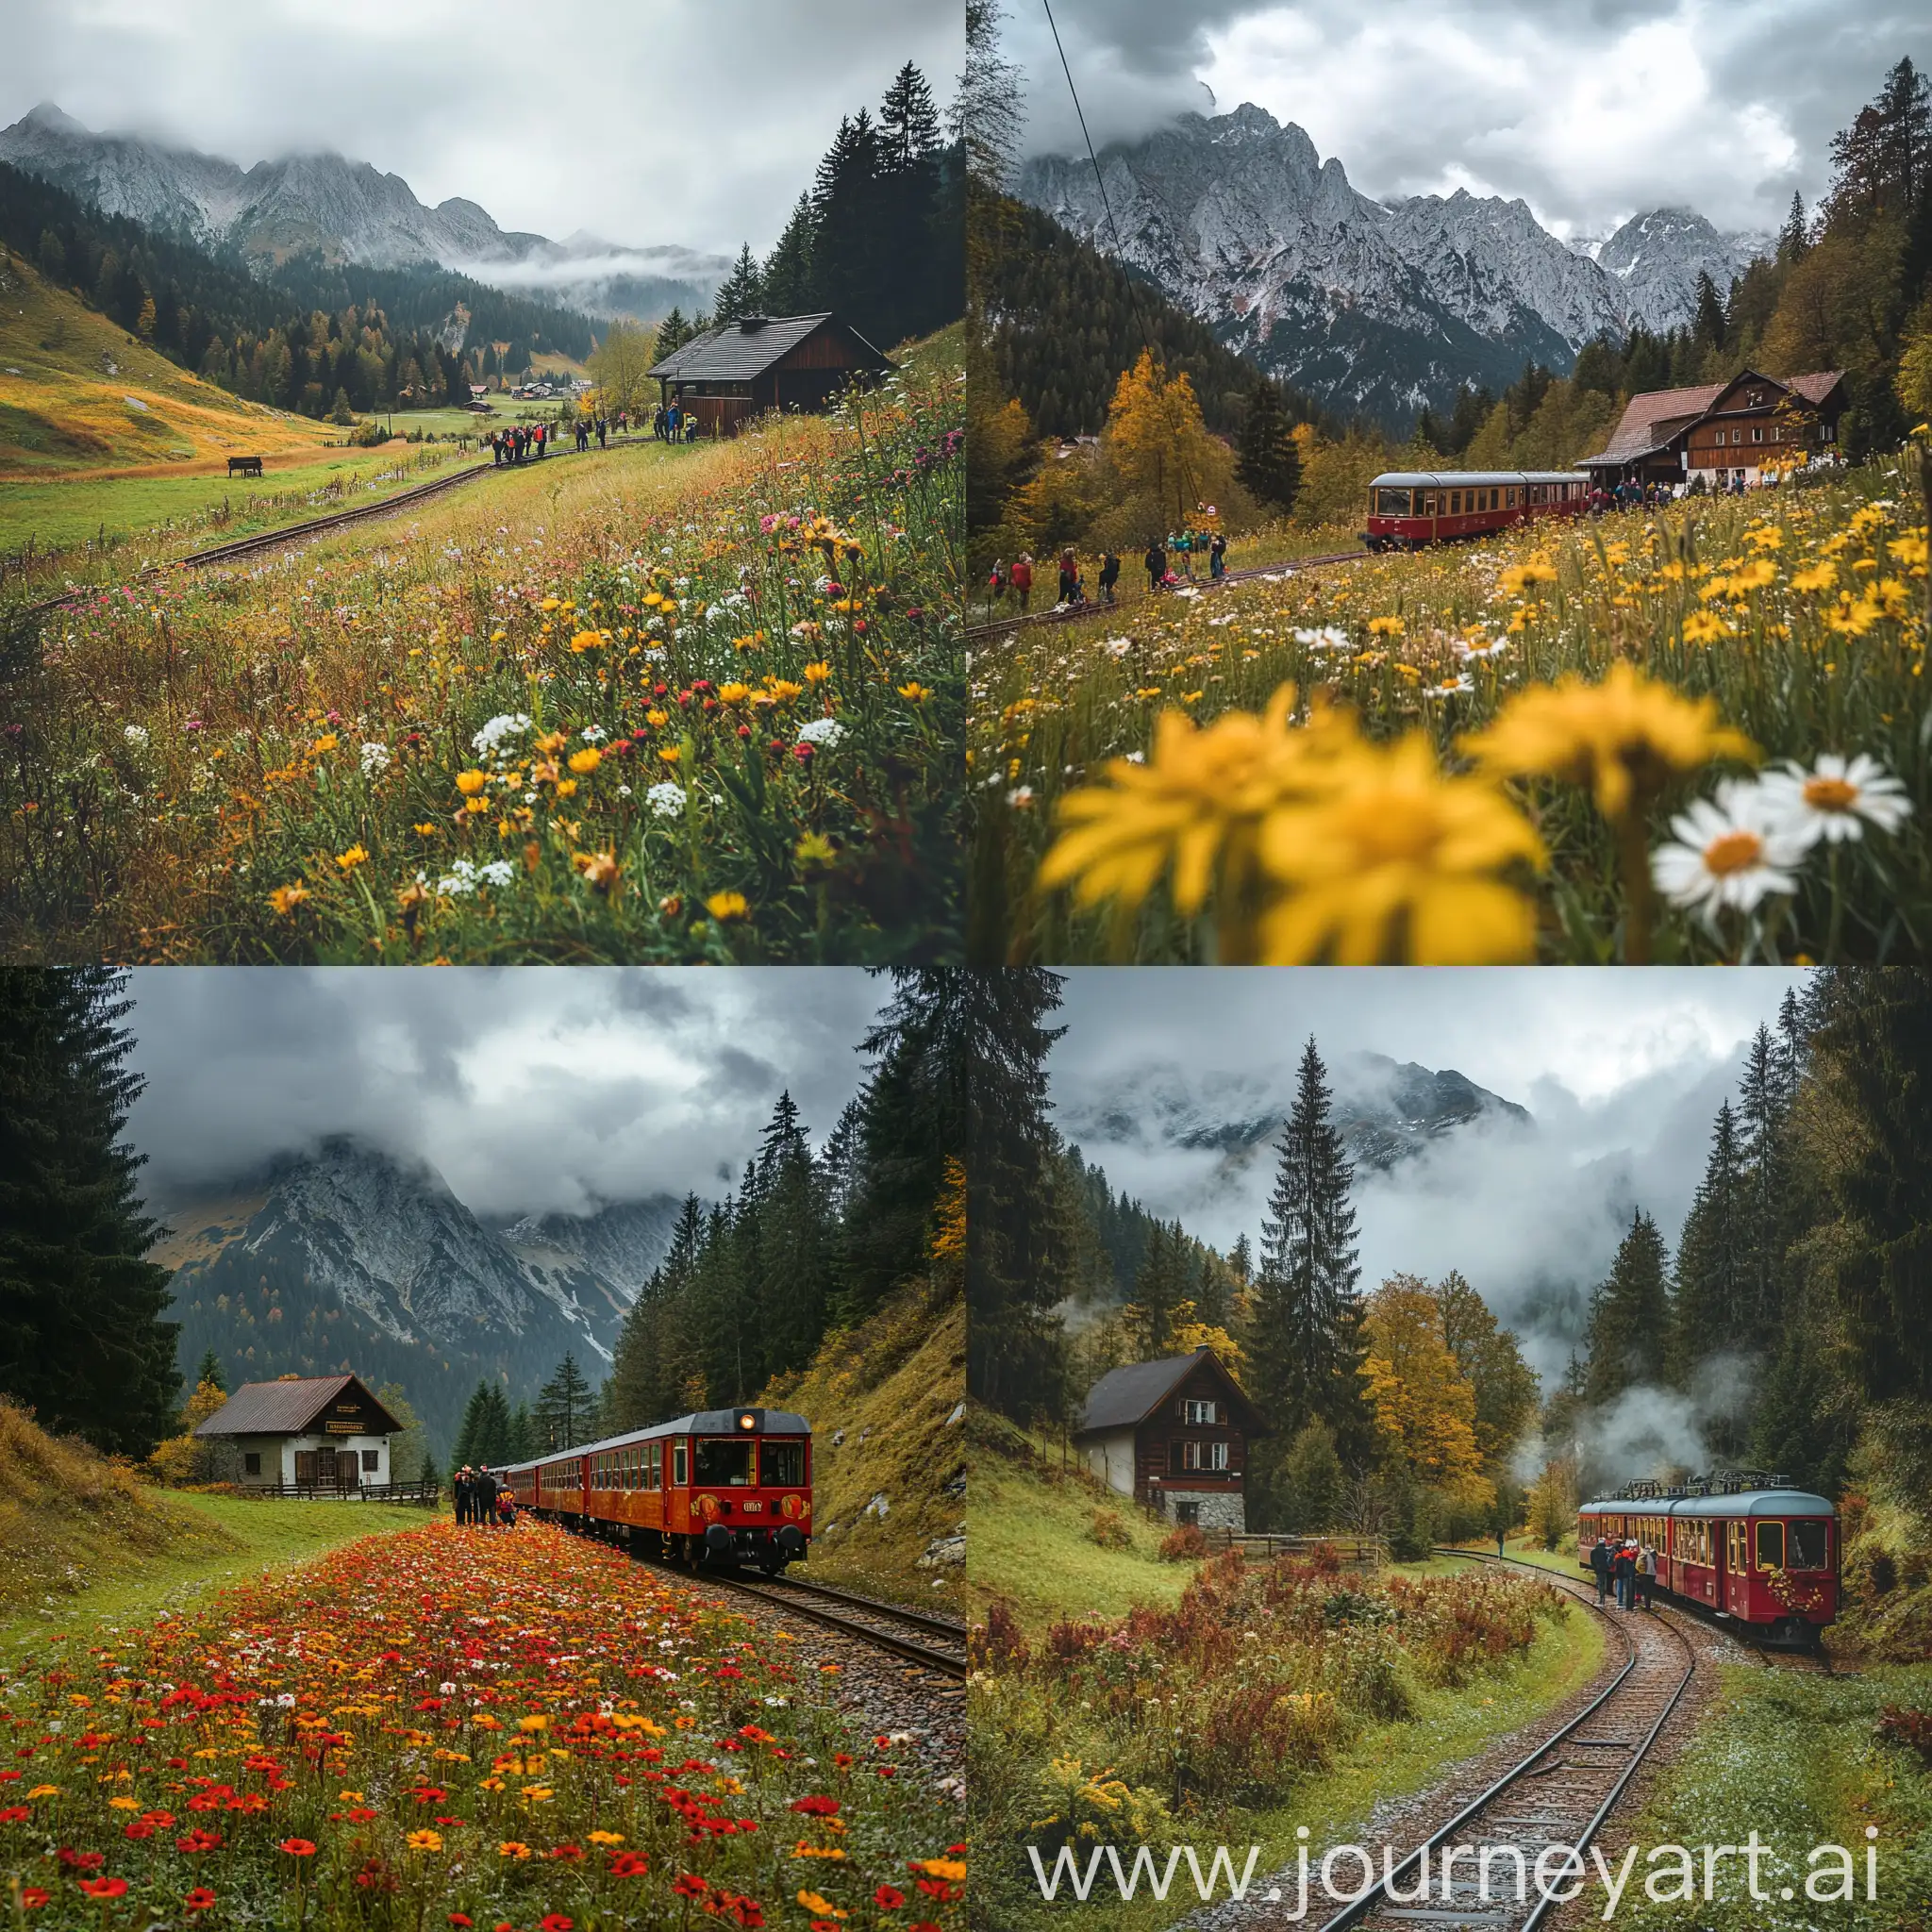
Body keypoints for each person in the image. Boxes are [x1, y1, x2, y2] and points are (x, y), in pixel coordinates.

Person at [1613, 1541, 1637, 1609]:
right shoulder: (1627, 1553)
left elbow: (1615, 1562)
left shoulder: (1617, 1555)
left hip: (1619, 1573)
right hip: (1626, 1573)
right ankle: (1628, 1603)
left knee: (1620, 1588)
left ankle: (1620, 1602)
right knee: (1628, 1588)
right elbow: (1631, 1560)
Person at [1591, 1535, 1612, 1603]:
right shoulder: (1606, 1550)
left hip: (1598, 1569)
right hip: (1605, 1569)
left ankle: (1601, 1597)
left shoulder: (1593, 1551)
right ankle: (1603, 1597)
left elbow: (1592, 1561)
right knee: (1604, 1582)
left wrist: (1595, 1568)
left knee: (1600, 1583)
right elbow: (1608, 1559)